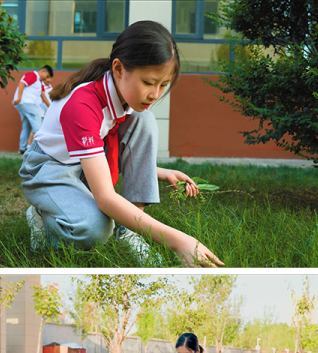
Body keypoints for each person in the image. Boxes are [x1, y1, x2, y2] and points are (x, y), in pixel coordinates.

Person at [21, 22, 220, 267]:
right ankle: (43, 218)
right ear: (118, 68)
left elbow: (100, 157)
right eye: (148, 82)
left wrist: (156, 171)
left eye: (163, 85)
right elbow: (105, 198)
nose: (155, 94)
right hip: (50, 167)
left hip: (83, 163)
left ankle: (129, 231)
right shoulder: (83, 105)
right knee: (95, 231)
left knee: (143, 119)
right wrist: (178, 240)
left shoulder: (122, 97)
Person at [12, 65, 53, 153]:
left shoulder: (39, 81)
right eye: (47, 76)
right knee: (38, 127)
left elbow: (43, 95)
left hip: (25, 105)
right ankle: (41, 149)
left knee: (26, 126)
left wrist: (51, 107)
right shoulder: (33, 75)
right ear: (43, 71)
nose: (46, 79)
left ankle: (22, 149)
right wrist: (19, 98)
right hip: (27, 103)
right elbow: (22, 83)